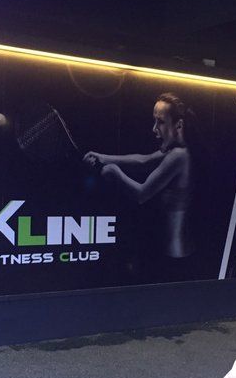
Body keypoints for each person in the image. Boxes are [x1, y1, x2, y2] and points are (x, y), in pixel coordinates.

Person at [83, 92, 195, 259]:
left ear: (178, 125)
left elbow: (141, 194)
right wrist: (103, 157)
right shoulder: (175, 150)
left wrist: (113, 171)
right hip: (169, 252)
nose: (154, 129)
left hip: (173, 256)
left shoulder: (178, 156)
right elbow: (144, 160)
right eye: (155, 121)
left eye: (161, 122)